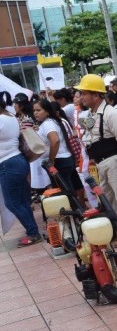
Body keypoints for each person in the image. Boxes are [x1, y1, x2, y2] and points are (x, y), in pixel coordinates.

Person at [76, 73, 117, 238]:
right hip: (102, 162)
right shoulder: (91, 114)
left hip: (115, 159)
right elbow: (88, 136)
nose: (81, 97)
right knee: (108, 199)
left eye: (84, 93)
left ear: (96, 95)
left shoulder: (110, 113)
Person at [0, 91, 41, 246]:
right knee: (22, 200)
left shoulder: (1, 120)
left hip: (8, 163)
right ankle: (32, 230)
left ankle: (33, 233)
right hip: (17, 160)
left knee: (12, 202)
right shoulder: (11, 117)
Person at [32, 99, 85, 205]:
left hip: (59, 161)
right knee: (72, 187)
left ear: (47, 111)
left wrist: (51, 160)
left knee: (65, 193)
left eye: (38, 110)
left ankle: (77, 214)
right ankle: (80, 209)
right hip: (66, 158)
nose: (35, 113)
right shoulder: (52, 121)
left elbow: (55, 140)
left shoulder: (48, 123)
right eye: (34, 110)